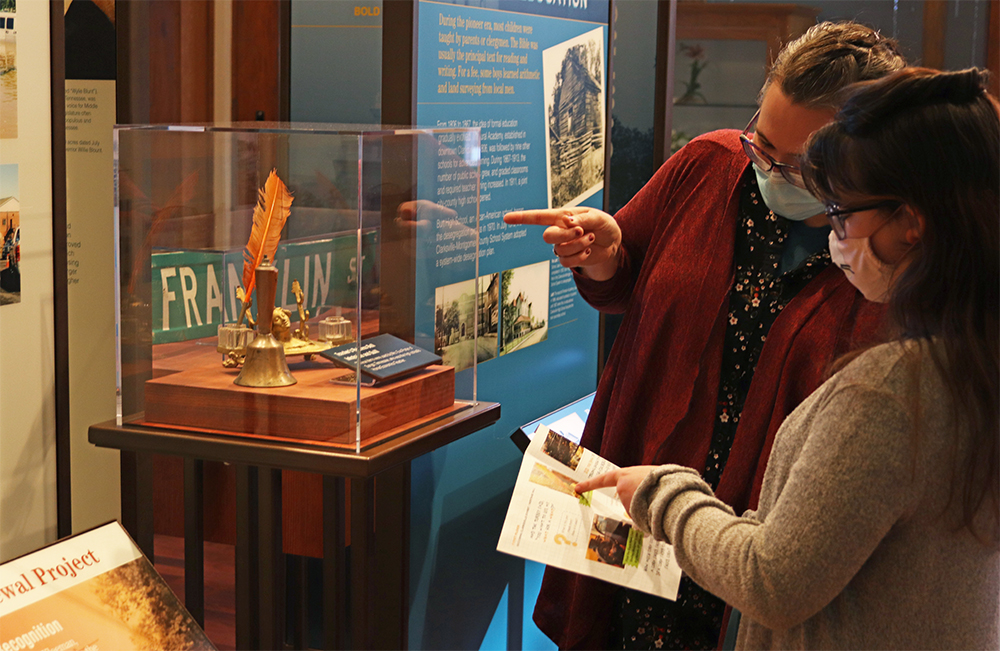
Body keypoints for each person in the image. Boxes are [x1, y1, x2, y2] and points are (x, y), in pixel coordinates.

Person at [504, 22, 905, 649]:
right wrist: (604, 256)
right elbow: (625, 279)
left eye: (800, 166)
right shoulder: (708, 165)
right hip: (639, 506)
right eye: (762, 143)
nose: (770, 170)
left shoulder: (883, 253)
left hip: (759, 546)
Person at [576, 66, 1000, 649]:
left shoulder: (887, 390)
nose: (835, 233)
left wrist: (661, 492)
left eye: (843, 212)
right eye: (763, 147)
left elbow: (773, 581)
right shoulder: (973, 351)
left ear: (911, 225)